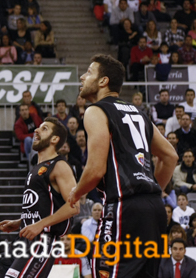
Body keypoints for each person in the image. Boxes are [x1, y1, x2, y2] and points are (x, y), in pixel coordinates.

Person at [69, 54, 179, 277]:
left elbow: (95, 169)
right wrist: (149, 189)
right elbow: (170, 157)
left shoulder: (96, 110)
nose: (82, 77)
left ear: (103, 81)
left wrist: (75, 193)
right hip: (153, 210)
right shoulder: (139, 113)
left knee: (107, 272)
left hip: (123, 208)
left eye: (89, 72)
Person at [0, 118, 78, 278]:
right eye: (37, 127)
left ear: (54, 139)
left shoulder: (60, 166)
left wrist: (39, 225)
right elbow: (42, 206)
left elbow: (74, 206)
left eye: (43, 129)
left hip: (42, 240)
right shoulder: (36, 168)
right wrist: (21, 221)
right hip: (24, 237)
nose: (36, 130)